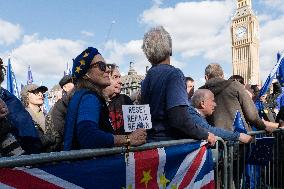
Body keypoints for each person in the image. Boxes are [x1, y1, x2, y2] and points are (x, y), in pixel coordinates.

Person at [141, 26, 216, 145]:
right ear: (170, 50)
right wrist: (205, 134)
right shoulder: (174, 74)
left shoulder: (146, 78)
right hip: (171, 147)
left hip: (150, 145)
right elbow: (179, 119)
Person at [64, 47, 146, 150]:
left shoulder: (82, 95)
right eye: (101, 66)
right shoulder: (89, 98)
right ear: (86, 74)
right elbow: (88, 137)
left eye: (106, 65)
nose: (107, 70)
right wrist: (128, 139)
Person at [200, 63, 278, 132]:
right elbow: (252, 115)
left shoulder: (200, 92)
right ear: (223, 75)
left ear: (206, 77)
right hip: (240, 137)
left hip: (214, 141)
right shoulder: (234, 85)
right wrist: (263, 127)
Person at [0, 58, 42, 154]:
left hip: (17, 162)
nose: (40, 94)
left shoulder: (12, 102)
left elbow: (31, 142)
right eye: (35, 92)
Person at [44, 75, 75, 151]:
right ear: (65, 87)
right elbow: (61, 134)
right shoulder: (59, 107)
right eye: (73, 82)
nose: (77, 84)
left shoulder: (75, 102)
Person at [21, 84, 56, 150]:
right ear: (26, 96)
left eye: (42, 92)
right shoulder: (23, 117)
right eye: (36, 92)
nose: (40, 94)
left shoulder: (46, 114)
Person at [103, 64, 133, 135]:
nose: (120, 81)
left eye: (120, 77)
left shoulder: (125, 100)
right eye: (115, 77)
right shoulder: (96, 102)